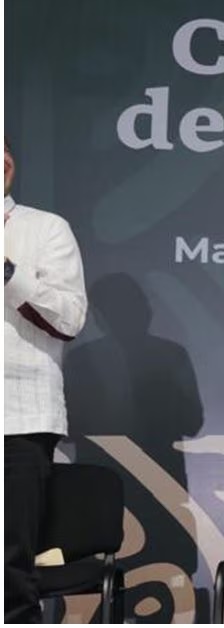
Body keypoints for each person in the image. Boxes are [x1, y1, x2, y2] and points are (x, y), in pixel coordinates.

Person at [4, 140, 89, 623]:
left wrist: (9, 271)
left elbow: (69, 319)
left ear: (7, 167)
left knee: (9, 569)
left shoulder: (45, 229)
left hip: (17, 419)